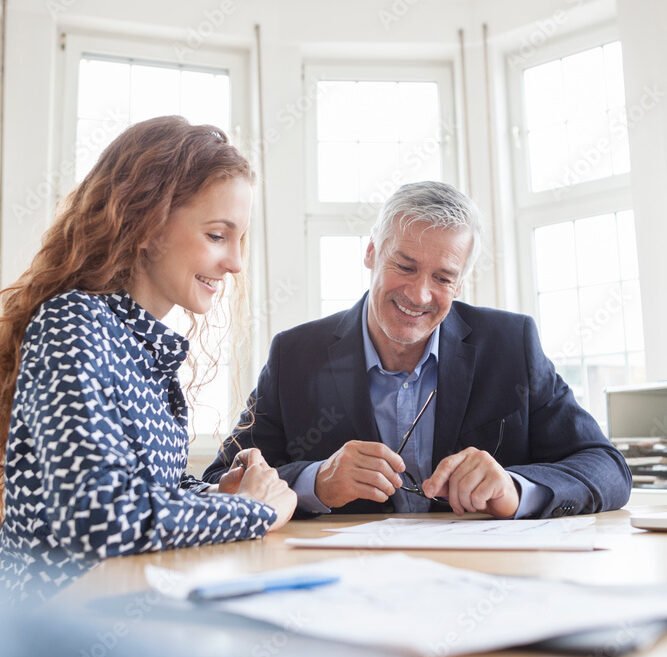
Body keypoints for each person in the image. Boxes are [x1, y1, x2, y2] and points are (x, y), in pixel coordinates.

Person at [203, 181, 631, 519]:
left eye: (443, 278)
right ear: (371, 252)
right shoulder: (295, 354)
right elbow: (222, 477)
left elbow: (607, 466)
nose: (420, 294)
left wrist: (515, 489)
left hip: (485, 582)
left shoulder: (511, 345)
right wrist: (317, 482)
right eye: (405, 266)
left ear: (460, 283)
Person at [0, 116, 296, 604]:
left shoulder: (140, 341)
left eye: (240, 240)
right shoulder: (73, 324)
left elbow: (147, 488)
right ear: (146, 224)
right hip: (53, 623)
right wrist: (252, 510)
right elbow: (101, 520)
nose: (236, 263)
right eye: (218, 236)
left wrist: (217, 494)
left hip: (122, 603)